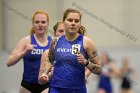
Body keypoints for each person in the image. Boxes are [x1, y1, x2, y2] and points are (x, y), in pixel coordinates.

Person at [39, 8, 101, 93]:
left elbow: (99, 69)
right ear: (64, 22)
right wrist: (45, 73)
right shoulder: (55, 41)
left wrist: (86, 62)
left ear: (80, 24)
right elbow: (50, 59)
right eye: (70, 20)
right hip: (56, 88)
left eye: (76, 21)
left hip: (77, 89)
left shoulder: (87, 42)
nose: (73, 23)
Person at [6, 10, 52, 93]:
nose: (40, 25)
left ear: (48, 24)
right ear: (33, 24)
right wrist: (23, 52)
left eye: (43, 22)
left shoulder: (53, 42)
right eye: (37, 22)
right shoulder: (26, 41)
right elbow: (9, 62)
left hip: (46, 84)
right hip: (27, 85)